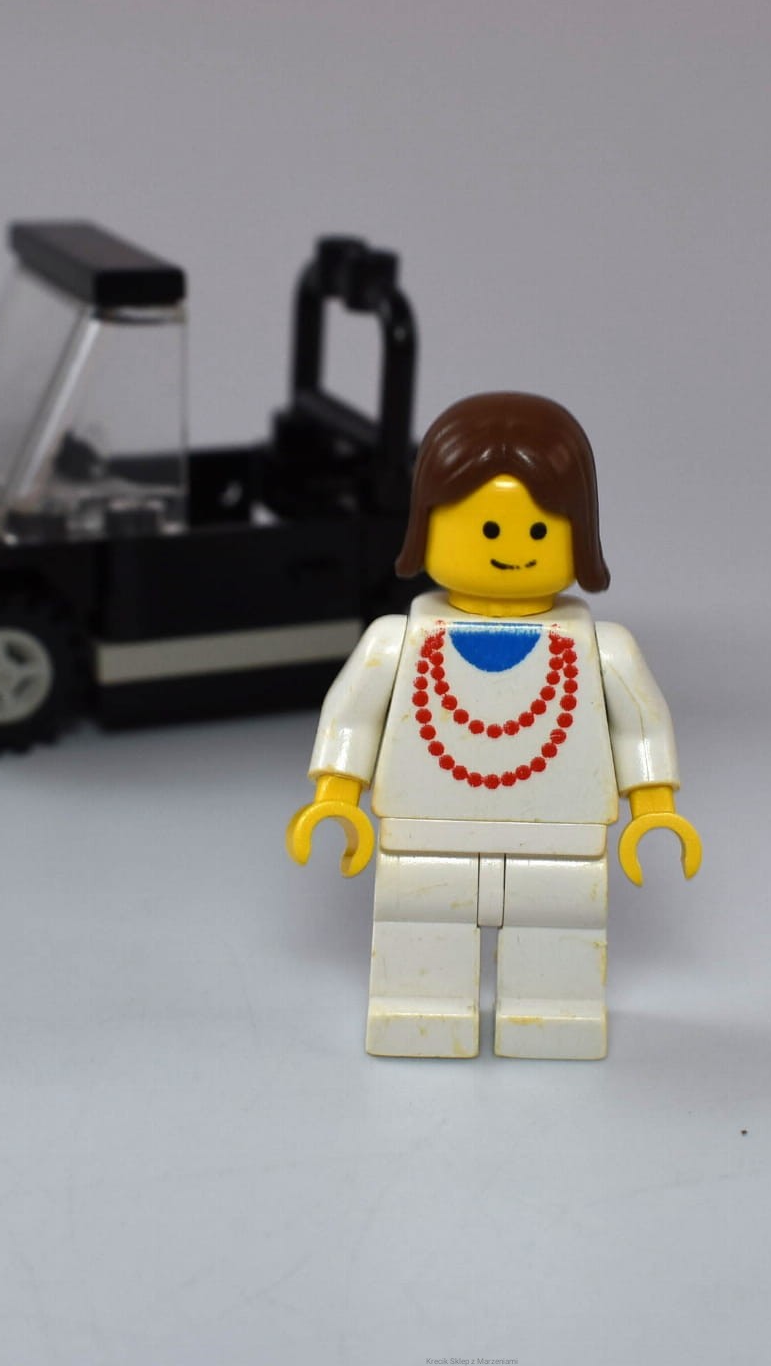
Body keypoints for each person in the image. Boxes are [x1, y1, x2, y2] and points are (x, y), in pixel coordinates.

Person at [287, 392, 701, 1060]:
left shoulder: (602, 650)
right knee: (418, 919)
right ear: (428, 526)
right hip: (424, 833)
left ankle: (554, 1016)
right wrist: (336, 795)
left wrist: (654, 806)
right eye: (487, 528)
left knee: (560, 926)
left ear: (578, 532)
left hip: (562, 839)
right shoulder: (399, 640)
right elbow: (353, 716)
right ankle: (418, 1012)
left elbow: (640, 730)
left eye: (538, 531)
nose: (513, 548)